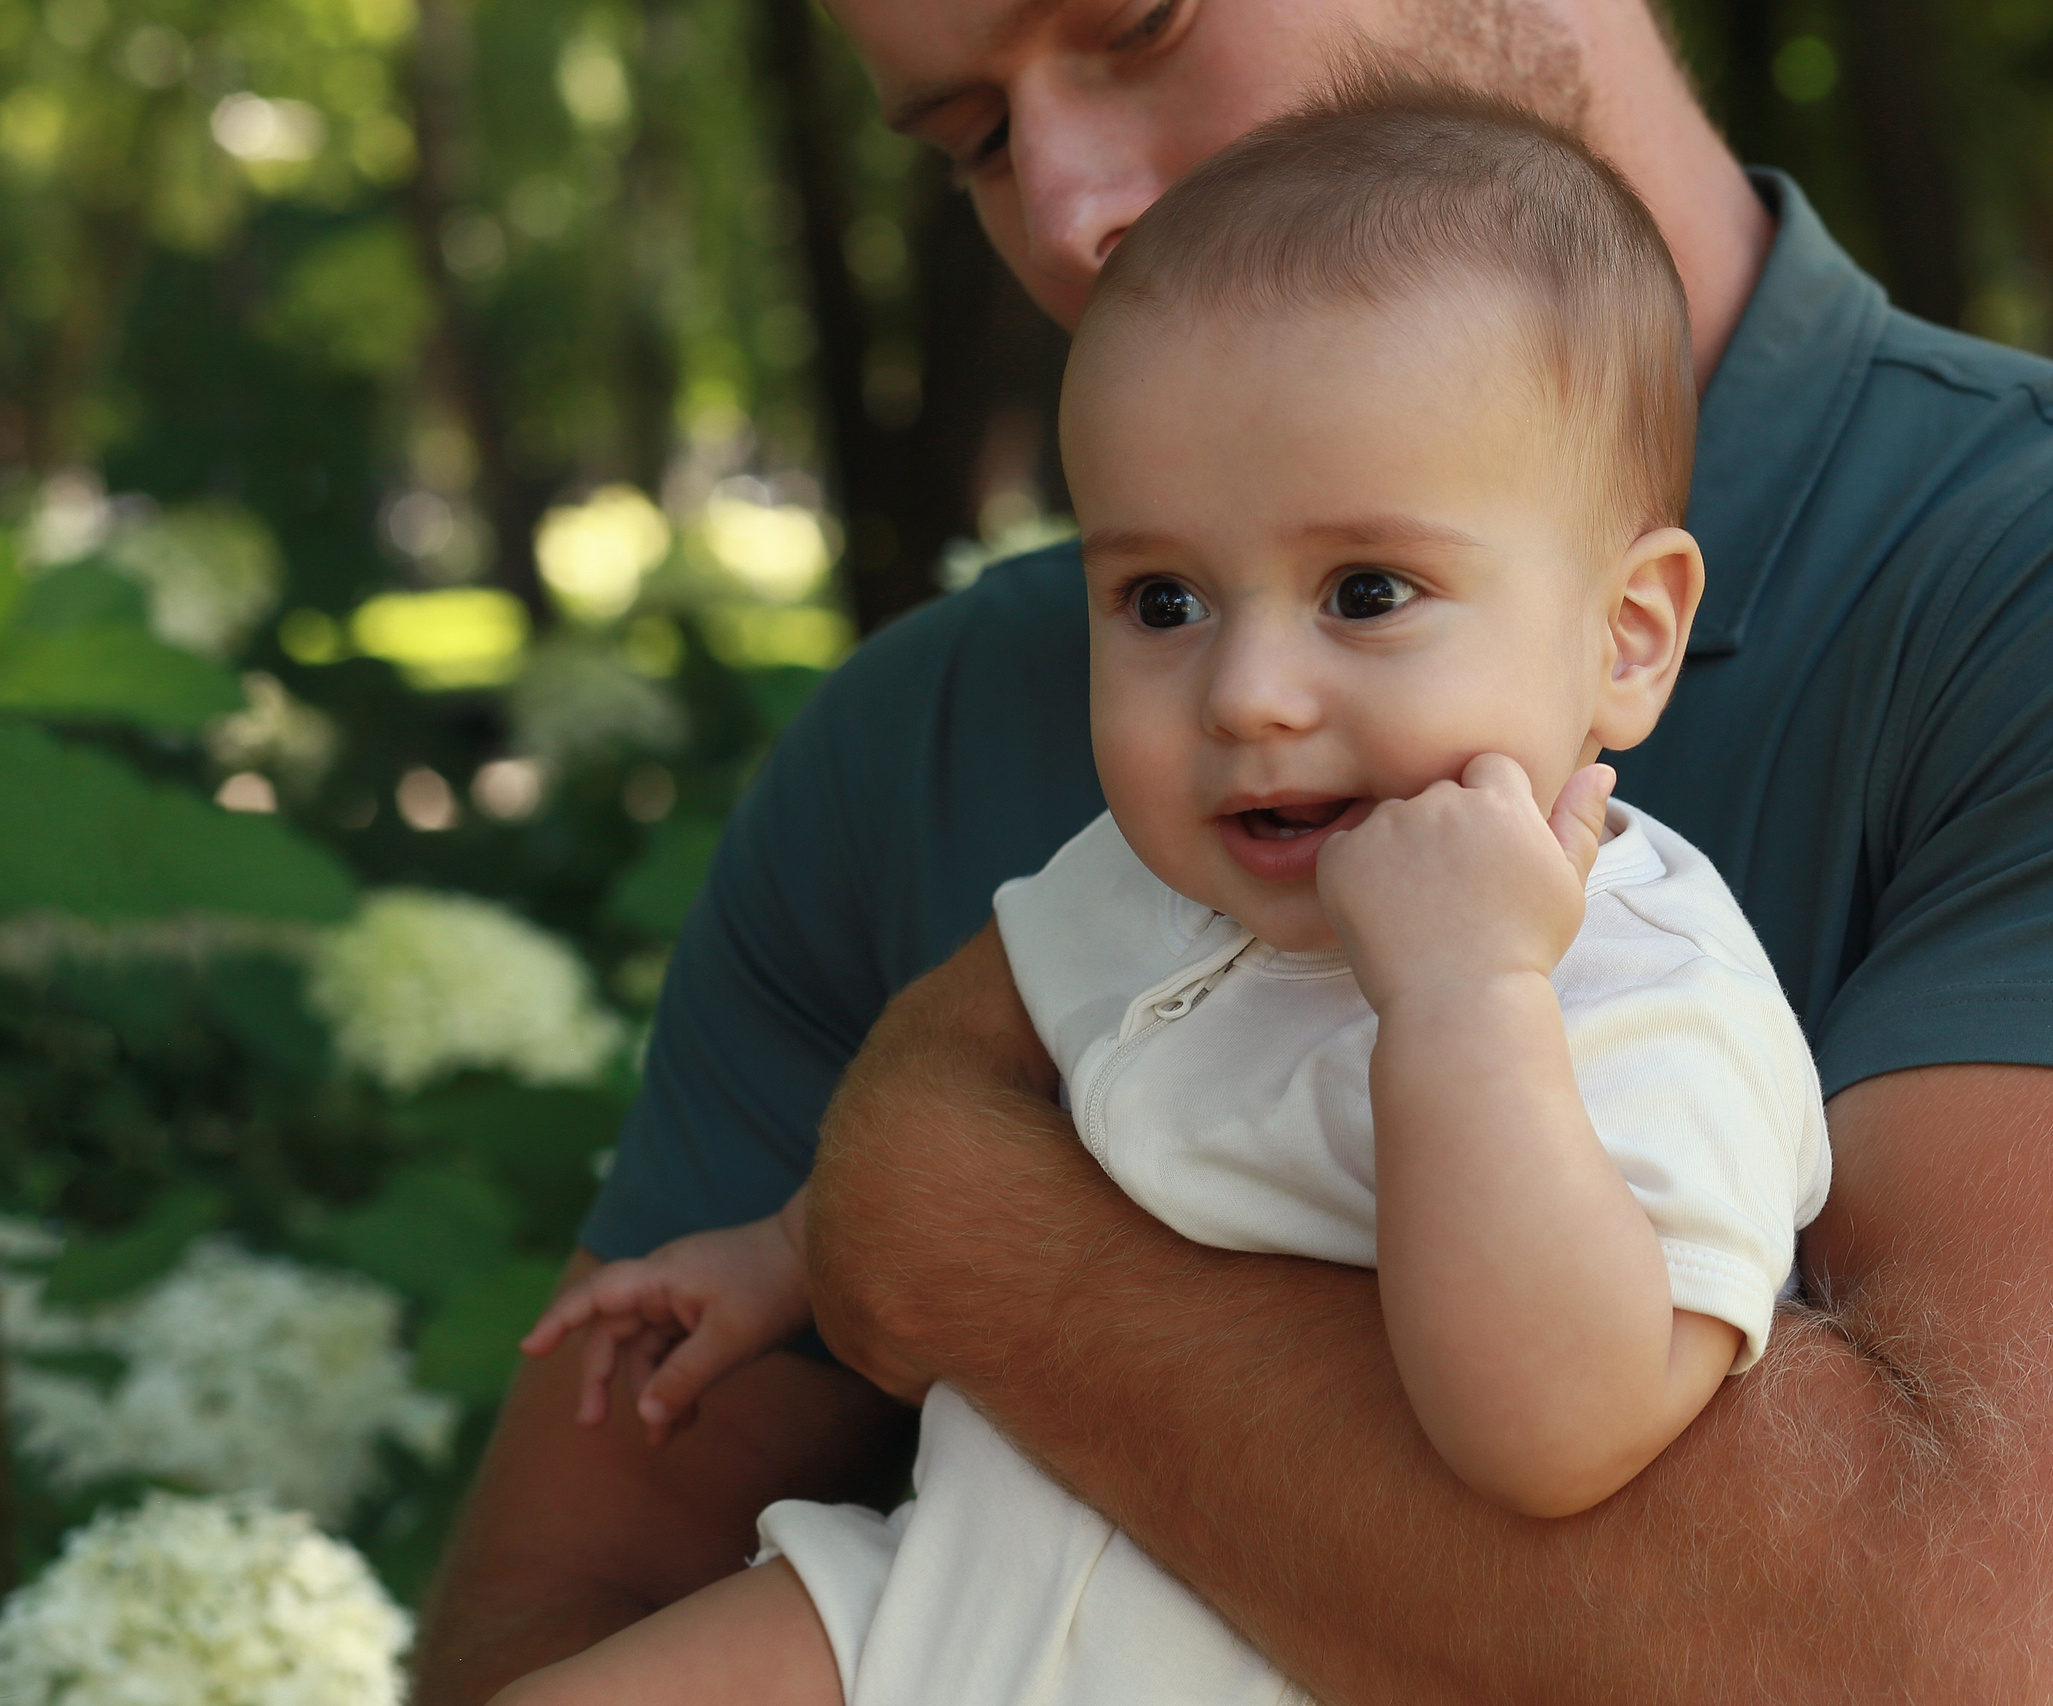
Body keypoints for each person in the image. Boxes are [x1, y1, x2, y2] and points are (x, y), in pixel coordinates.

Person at [412, 3, 2053, 1702]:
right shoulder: (937, 731)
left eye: (1137, 23)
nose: (1066, 208)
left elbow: (1934, 1670)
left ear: (1632, 632)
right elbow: (553, 1605)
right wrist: (803, 1242)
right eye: (968, 136)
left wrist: (951, 1224)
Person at [491, 92, 1830, 1706]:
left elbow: (1556, 1431)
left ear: (1629, 635)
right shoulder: (1153, 884)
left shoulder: (1648, 992)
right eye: (1163, 599)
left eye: (1367, 592)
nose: (1248, 692)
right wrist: (779, 1254)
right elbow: (989, 1073)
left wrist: (1467, 996)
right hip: (955, 1599)